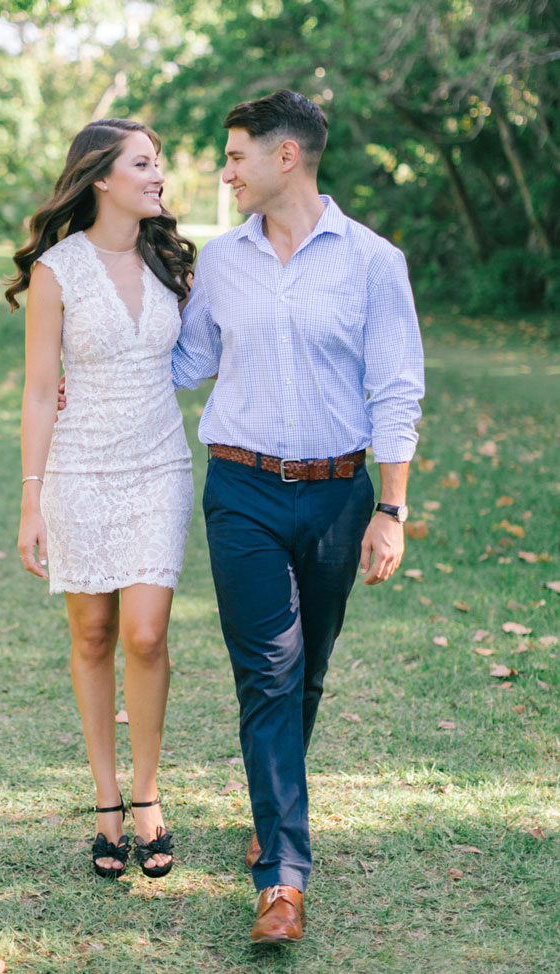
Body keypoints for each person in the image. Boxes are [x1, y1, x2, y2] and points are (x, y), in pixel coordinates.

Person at [171, 90, 425, 942]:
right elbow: (187, 361)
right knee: (268, 673)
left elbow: (396, 388)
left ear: (287, 158)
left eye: (237, 154)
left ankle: (271, 804)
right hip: (239, 490)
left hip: (336, 495)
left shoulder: (373, 262)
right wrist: (89, 358)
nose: (225, 170)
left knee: (307, 669)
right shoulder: (219, 260)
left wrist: (390, 507)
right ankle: (282, 877)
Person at [5, 118, 196, 880]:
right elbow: (37, 394)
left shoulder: (173, 262)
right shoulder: (58, 271)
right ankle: (108, 804)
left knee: (146, 634)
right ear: (101, 180)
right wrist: (31, 499)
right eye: (144, 164)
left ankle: (148, 796)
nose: (158, 175)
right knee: (92, 636)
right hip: (79, 469)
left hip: (159, 466)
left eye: (159, 163)